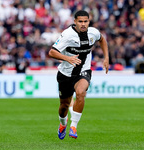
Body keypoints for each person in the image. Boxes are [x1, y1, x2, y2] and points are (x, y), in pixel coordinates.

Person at [48, 10, 109, 140]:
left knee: (81, 93)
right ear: (75, 21)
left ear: (89, 21)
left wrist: (106, 58)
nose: (83, 24)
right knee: (64, 106)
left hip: (84, 70)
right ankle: (63, 123)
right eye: (80, 21)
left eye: (85, 21)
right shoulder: (67, 35)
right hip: (65, 73)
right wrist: (67, 58)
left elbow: (102, 40)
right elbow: (52, 52)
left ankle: (74, 126)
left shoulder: (93, 32)